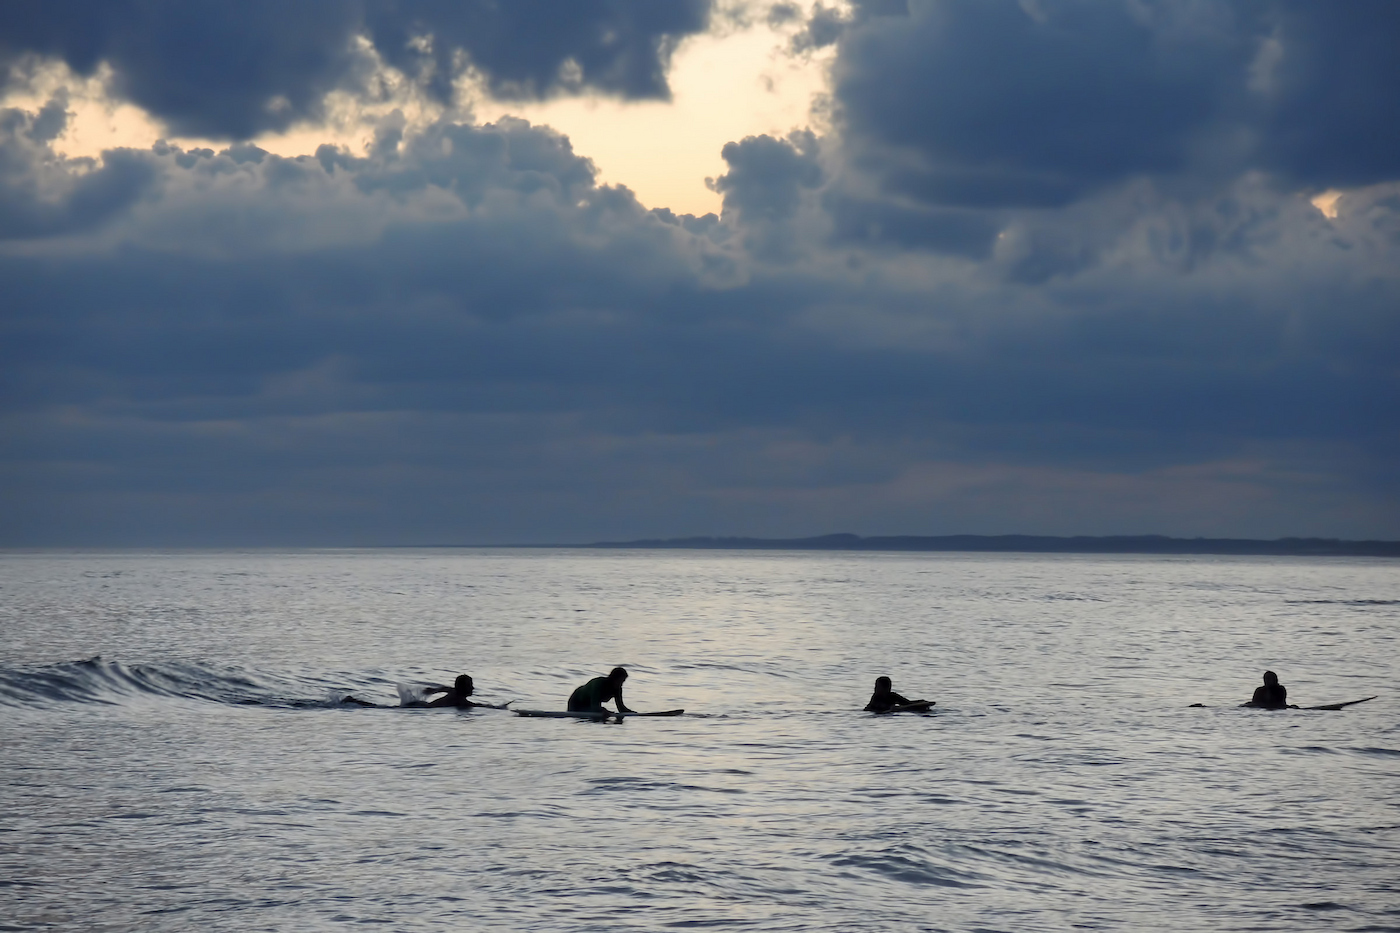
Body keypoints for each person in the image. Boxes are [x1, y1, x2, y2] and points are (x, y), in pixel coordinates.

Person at [568, 666, 634, 714]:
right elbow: (594, 706)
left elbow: (621, 708)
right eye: (620, 681)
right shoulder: (599, 684)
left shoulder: (618, 689)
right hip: (576, 702)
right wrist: (603, 710)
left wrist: (634, 713)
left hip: (590, 705)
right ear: (614, 679)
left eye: (623, 681)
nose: (621, 684)